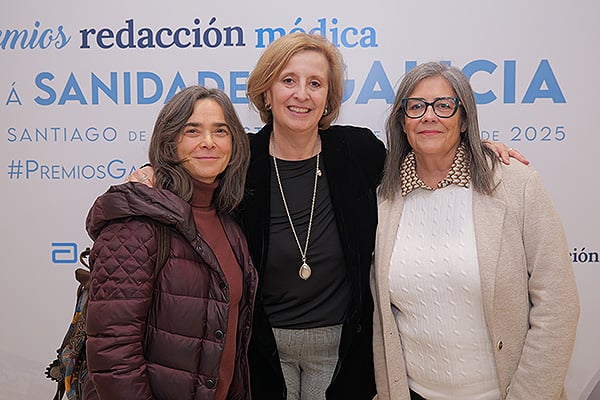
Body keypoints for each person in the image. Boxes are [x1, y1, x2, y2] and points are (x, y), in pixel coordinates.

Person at [128, 34, 525, 400]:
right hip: (259, 349)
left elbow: (426, 160)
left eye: (315, 83)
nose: (301, 94)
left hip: (342, 349)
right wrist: (152, 175)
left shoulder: (359, 151)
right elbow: (191, 172)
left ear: (328, 97)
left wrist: (475, 150)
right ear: (266, 91)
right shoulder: (239, 158)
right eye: (288, 80)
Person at [371, 61, 579, 400]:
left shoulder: (516, 184)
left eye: (444, 105)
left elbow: (557, 304)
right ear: (402, 121)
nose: (429, 116)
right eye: (416, 106)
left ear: (464, 119)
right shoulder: (383, 196)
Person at [83, 86, 257, 400]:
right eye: (193, 130)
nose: (208, 142)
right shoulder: (137, 222)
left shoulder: (228, 223)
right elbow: (112, 352)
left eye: (220, 130)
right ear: (170, 141)